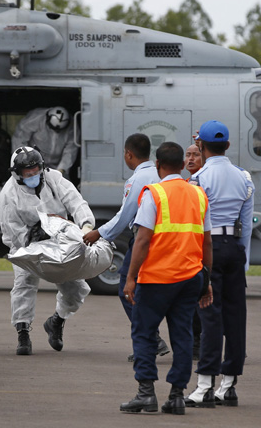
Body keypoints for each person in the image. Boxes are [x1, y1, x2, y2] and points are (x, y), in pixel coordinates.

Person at [120, 141, 213, 416]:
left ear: (158, 165)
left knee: (144, 332)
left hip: (157, 279)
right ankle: (177, 396)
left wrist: (130, 277)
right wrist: (206, 279)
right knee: (182, 335)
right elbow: (207, 242)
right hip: (189, 278)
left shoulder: (154, 194)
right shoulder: (198, 195)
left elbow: (143, 239)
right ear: (183, 165)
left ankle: (146, 394)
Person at [0, 146, 94, 355]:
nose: (33, 175)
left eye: (36, 170)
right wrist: (33, 236)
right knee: (24, 283)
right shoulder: (8, 195)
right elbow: (12, 229)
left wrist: (85, 226)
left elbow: (76, 201)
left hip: (60, 240)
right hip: (27, 245)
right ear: (17, 173)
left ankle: (56, 321)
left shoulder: (53, 179)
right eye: (27, 173)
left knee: (75, 288)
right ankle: (22, 332)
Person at [185, 120, 255, 408]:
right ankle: (228, 385)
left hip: (208, 248)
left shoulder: (198, 179)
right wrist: (245, 259)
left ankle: (204, 385)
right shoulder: (244, 177)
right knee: (235, 317)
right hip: (234, 247)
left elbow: (196, 224)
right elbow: (247, 224)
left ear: (200, 145)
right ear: (227, 145)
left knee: (209, 315)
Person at [83, 134, 170, 359]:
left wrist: (98, 233)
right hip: (167, 241)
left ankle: (150, 341)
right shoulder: (161, 174)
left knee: (128, 289)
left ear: (128, 154)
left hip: (144, 239)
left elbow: (125, 216)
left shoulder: (137, 179)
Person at [11, 107, 78, 175]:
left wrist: (61, 169)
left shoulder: (73, 128)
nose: (56, 132)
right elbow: (19, 139)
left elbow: (70, 151)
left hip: (57, 164)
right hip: (33, 162)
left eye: (59, 131)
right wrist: (25, 162)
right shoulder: (35, 118)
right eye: (53, 128)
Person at [185, 144, 204, 360]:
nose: (191, 159)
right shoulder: (188, 183)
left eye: (196, 155)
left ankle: (198, 343)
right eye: (188, 155)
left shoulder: (201, 182)